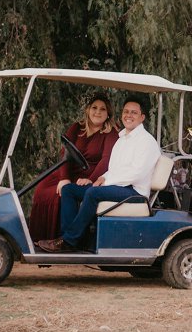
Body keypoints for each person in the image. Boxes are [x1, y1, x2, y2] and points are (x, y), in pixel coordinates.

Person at [38, 95, 161, 253]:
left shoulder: (146, 141)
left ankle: (69, 241)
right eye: (126, 111)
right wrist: (102, 178)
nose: (128, 115)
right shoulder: (122, 139)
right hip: (117, 186)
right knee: (69, 189)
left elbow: (136, 173)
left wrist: (106, 181)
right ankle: (68, 239)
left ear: (142, 117)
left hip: (134, 191)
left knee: (93, 192)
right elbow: (114, 168)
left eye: (134, 112)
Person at [27, 94, 119, 242]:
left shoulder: (111, 132)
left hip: (89, 176)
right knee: (41, 190)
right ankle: (39, 238)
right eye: (94, 108)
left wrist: (90, 179)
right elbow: (65, 152)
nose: (98, 112)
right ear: (88, 110)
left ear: (108, 113)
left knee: (60, 194)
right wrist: (64, 178)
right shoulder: (77, 127)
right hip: (68, 172)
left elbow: (106, 160)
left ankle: (62, 239)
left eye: (103, 109)